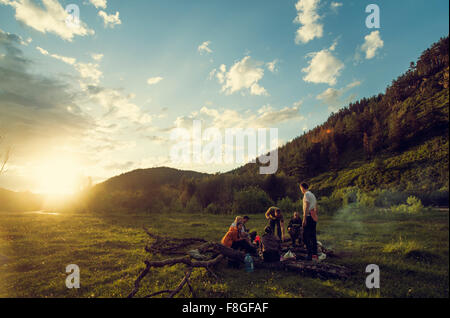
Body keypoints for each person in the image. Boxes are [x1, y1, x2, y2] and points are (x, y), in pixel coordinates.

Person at [300, 182, 318, 261]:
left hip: (308, 216)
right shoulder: (312, 195)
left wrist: (304, 218)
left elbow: (307, 206)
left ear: (302, 188)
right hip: (313, 215)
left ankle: (309, 255)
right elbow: (316, 206)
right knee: (313, 236)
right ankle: (315, 254)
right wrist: (315, 215)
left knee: (305, 236)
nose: (301, 190)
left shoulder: (306, 194)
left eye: (301, 189)